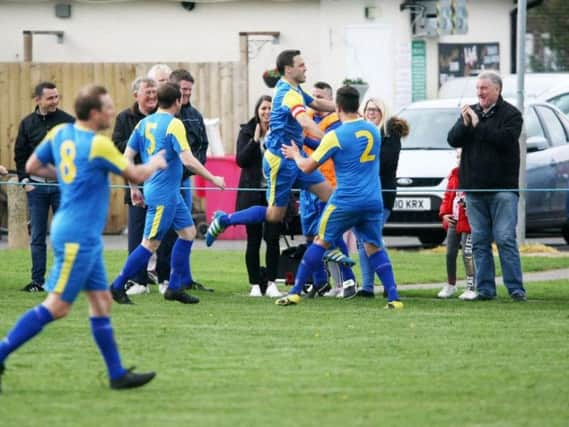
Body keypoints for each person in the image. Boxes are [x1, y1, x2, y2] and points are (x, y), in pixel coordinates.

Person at [0, 85, 165, 392]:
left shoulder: (60, 133)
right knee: (58, 306)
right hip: (78, 235)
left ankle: (116, 374)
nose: (113, 112)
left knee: (102, 301)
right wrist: (155, 163)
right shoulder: (97, 145)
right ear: (94, 113)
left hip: (76, 230)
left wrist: (68, 174)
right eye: (108, 107)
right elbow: (136, 174)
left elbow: (33, 166)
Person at [276, 85, 403, 309]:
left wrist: (295, 154)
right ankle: (394, 298)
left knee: (320, 241)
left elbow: (306, 167)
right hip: (373, 200)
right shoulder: (373, 130)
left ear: (338, 107)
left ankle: (295, 292)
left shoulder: (336, 135)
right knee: (374, 247)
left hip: (346, 200)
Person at [205, 49, 336, 247]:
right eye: (301, 65)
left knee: (331, 196)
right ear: (289, 69)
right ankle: (225, 220)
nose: (305, 68)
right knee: (274, 216)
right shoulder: (288, 95)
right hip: (280, 161)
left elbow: (317, 103)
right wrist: (333, 141)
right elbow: (305, 123)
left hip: (294, 156)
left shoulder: (296, 89)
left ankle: (328, 248)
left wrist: (345, 108)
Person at [110, 82, 225, 305]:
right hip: (163, 195)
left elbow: (126, 157)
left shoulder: (143, 123)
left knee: (189, 233)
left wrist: (134, 188)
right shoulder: (174, 124)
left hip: (166, 192)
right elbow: (187, 159)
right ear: (178, 101)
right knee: (149, 243)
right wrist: (213, 178)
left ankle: (175, 287)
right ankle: (117, 285)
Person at [448, 70, 526, 301]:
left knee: (504, 239)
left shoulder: (512, 115)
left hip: (503, 189)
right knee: (480, 241)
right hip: (474, 189)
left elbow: (504, 140)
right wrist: (464, 124)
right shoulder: (471, 112)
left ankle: (516, 290)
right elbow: (452, 139)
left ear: (497, 90)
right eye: (477, 88)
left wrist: (477, 124)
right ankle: (485, 290)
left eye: (484, 88)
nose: (479, 93)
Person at [14, 81, 75, 292]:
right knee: (38, 237)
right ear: (38, 99)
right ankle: (37, 281)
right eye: (50, 98)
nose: (54, 102)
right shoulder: (27, 124)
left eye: (57, 97)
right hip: (36, 190)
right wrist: (24, 181)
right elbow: (20, 155)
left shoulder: (69, 122)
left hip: (62, 189)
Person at [301, 81, 357, 299]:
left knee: (330, 235)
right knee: (310, 236)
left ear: (331, 101)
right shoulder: (305, 116)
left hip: (328, 184)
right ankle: (320, 282)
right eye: (314, 96)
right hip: (308, 185)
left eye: (321, 97)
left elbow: (327, 147)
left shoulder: (336, 122)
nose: (316, 101)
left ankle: (348, 280)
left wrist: (302, 139)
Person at [163, 68, 213, 293]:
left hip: (185, 180)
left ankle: (184, 278)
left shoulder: (194, 114)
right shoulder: (165, 117)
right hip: (165, 181)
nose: (186, 94)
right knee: (165, 231)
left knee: (187, 230)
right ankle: (165, 278)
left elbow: (202, 145)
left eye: (189, 90)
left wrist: (191, 170)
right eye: (183, 90)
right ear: (174, 89)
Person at [356, 98, 409, 298]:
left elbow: (385, 163)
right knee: (364, 240)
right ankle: (367, 287)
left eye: (376, 110)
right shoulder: (360, 133)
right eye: (368, 109)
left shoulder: (389, 135)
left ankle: (389, 285)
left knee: (372, 238)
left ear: (383, 112)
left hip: (381, 195)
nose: (372, 113)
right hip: (361, 193)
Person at [112, 77, 158, 295]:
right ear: (136, 95)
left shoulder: (162, 116)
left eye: (153, 92)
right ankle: (138, 281)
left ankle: (165, 277)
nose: (151, 96)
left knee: (165, 234)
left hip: (160, 182)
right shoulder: (125, 118)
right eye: (147, 92)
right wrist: (140, 144)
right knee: (137, 233)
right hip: (135, 182)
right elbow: (118, 146)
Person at [235, 95, 282, 297]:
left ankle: (271, 283)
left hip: (273, 194)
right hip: (251, 193)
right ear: (257, 110)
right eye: (263, 108)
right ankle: (255, 284)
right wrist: (255, 141)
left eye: (271, 108)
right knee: (253, 239)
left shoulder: (280, 131)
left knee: (272, 238)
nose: (267, 112)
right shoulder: (246, 131)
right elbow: (241, 161)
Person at [436, 149, 477, 300]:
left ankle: (471, 287)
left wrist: (469, 208)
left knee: (467, 254)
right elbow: (447, 197)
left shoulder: (476, 175)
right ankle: (451, 284)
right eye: (458, 157)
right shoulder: (454, 175)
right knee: (450, 253)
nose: (459, 160)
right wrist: (444, 214)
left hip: (468, 223)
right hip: (454, 221)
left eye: (462, 156)